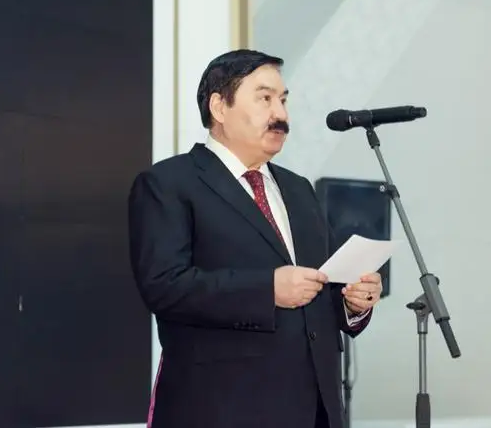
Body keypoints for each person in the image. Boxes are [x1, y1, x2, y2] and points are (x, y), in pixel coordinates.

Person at [128, 49, 383, 428]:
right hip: (221, 409)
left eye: (283, 100)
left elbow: (321, 289)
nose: (281, 114)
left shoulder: (298, 189)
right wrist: (268, 290)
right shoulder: (168, 183)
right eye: (265, 98)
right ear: (219, 107)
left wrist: (353, 302)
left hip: (312, 409)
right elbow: (164, 287)